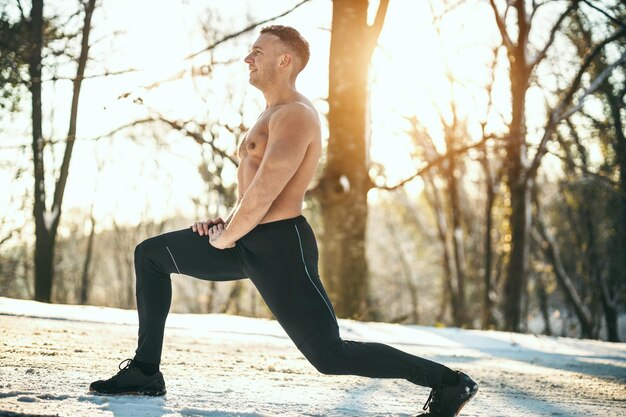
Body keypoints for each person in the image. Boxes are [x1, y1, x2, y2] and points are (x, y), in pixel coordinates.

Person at [89, 25, 478, 416]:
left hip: (279, 245)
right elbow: (252, 192)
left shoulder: (295, 115)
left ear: (284, 60)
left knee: (330, 356)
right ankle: (145, 371)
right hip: (245, 237)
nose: (248, 58)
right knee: (152, 255)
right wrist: (225, 225)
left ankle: (449, 382)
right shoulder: (269, 113)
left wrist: (227, 237)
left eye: (257, 51)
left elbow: (268, 189)